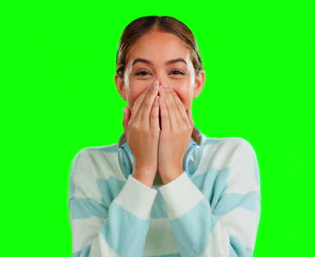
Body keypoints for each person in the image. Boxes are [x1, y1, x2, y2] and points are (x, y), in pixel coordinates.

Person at [68, 16, 261, 257]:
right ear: (121, 85)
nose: (159, 87)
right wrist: (143, 170)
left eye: (176, 72)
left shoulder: (231, 158)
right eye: (143, 73)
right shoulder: (91, 165)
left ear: (197, 84)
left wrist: (172, 172)